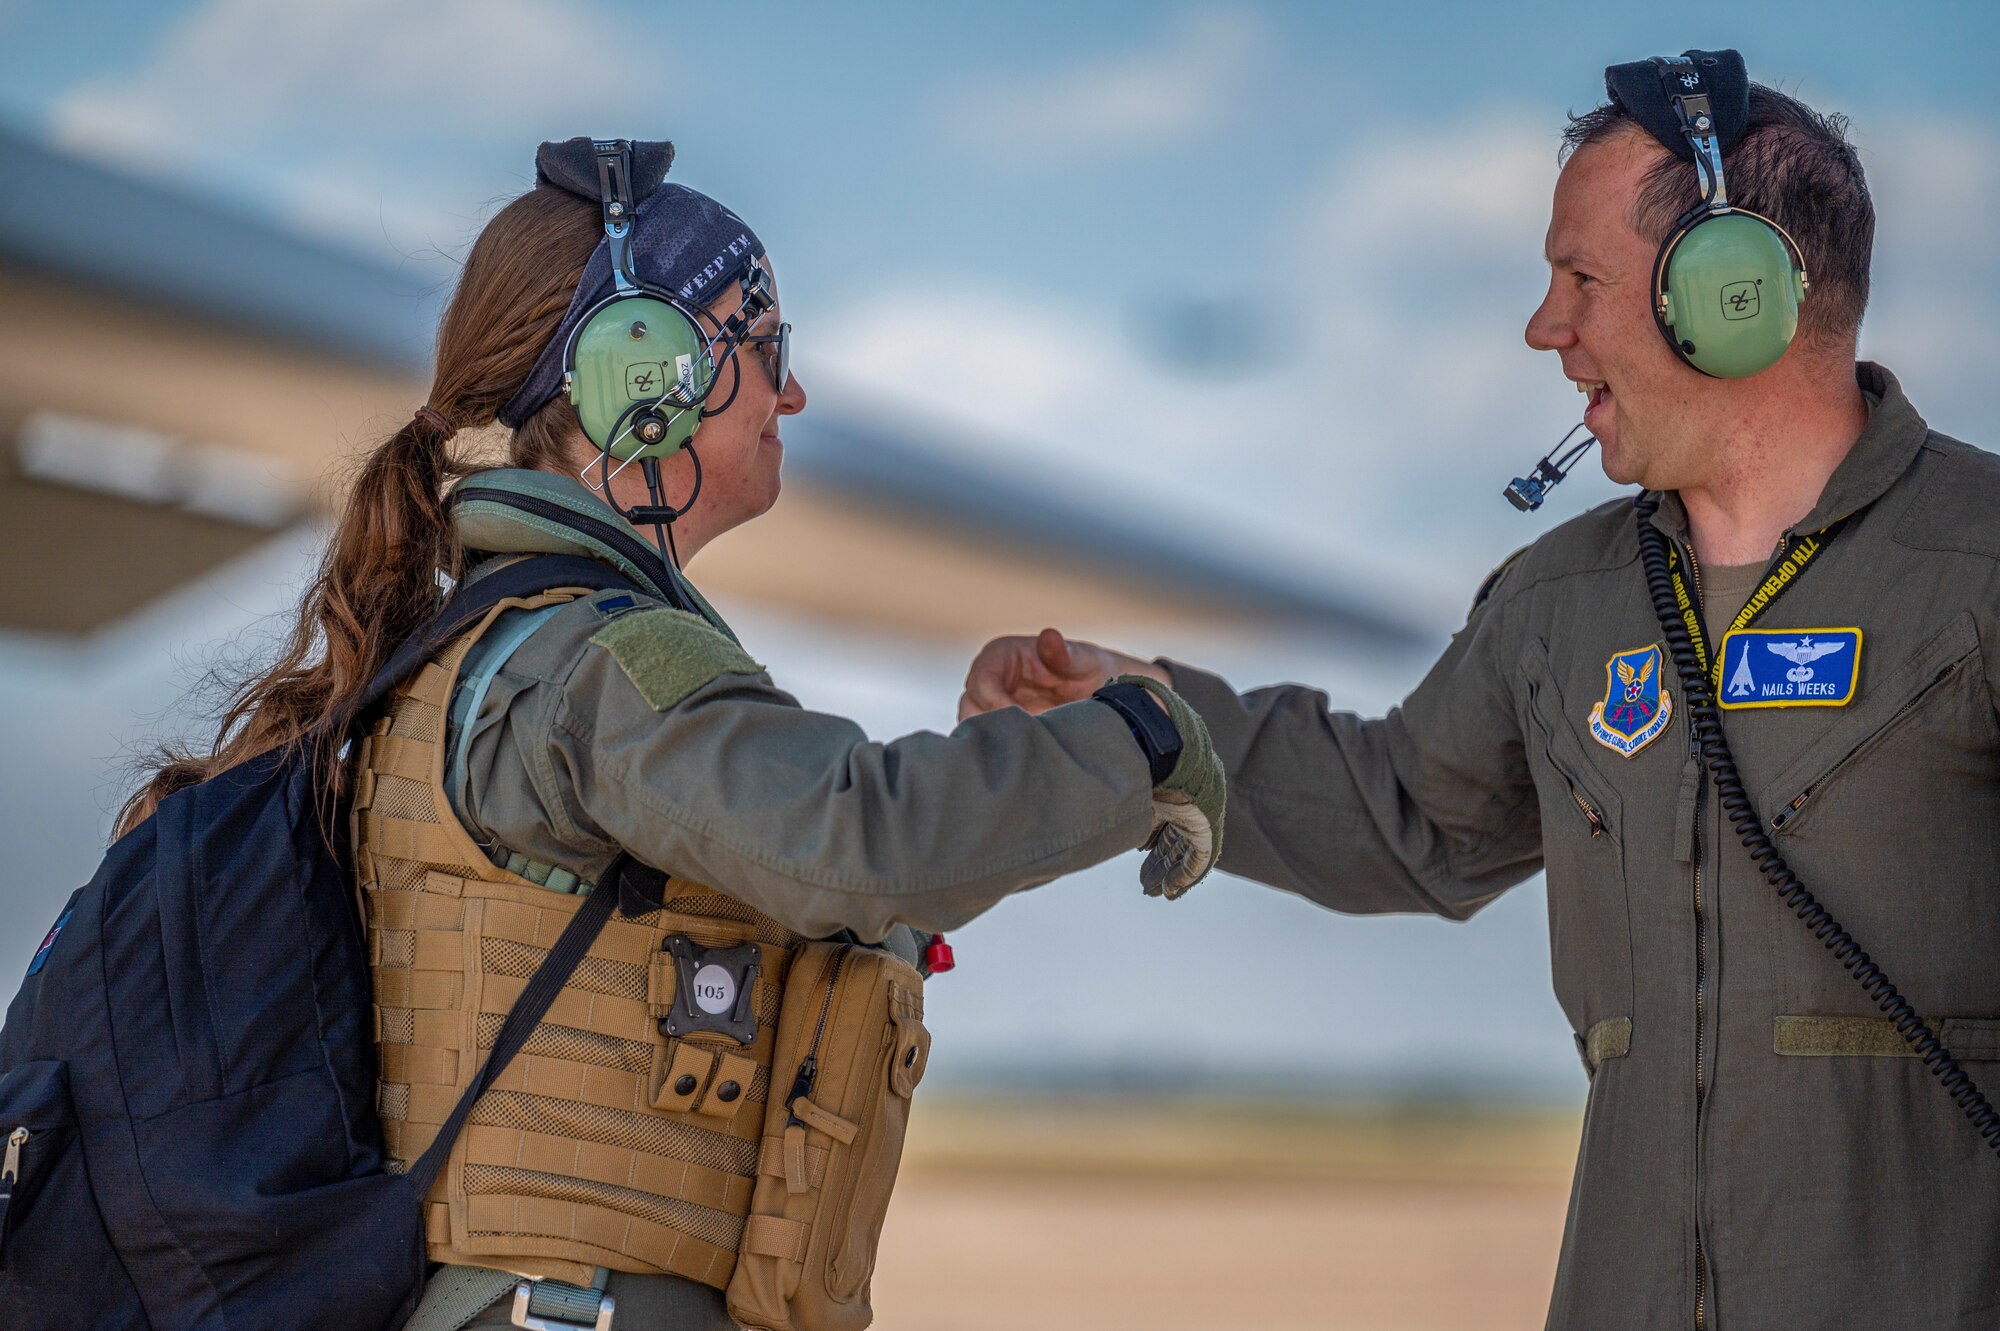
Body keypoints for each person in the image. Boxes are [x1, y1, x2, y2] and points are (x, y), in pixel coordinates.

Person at [961, 53, 2000, 1331]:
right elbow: (1401, 811)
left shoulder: (1981, 564)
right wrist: (1133, 707)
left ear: (1727, 294)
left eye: (1579, 279)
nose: (1541, 326)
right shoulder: (1559, 603)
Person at [115, 138, 1224, 1331]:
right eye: (766, 349)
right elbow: (861, 838)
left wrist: (980, 757)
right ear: (637, 370)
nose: (792, 394)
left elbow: (816, 875)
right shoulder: (594, 663)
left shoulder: (513, 652)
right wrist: (1140, 739)